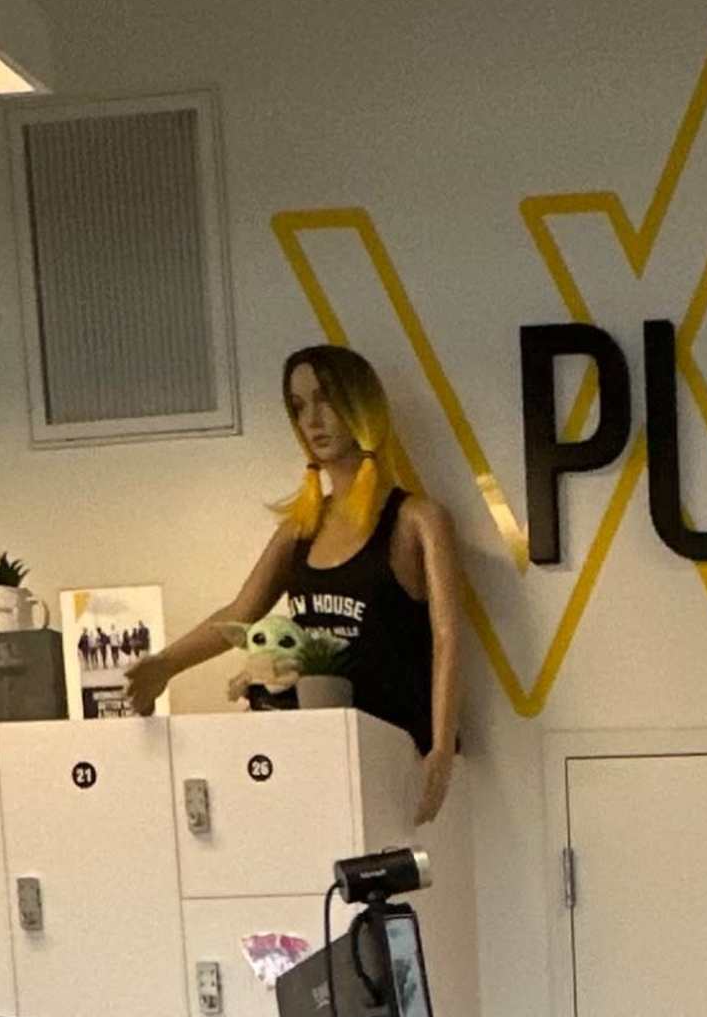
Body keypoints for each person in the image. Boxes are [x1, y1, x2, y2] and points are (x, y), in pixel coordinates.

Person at [127, 345, 467, 819]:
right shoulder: (299, 528)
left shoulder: (417, 519)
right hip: (315, 748)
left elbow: (448, 636)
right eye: (299, 406)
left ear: (360, 403)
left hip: (394, 751)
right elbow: (239, 614)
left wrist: (442, 750)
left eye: (326, 398)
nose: (313, 419)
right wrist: (166, 664)